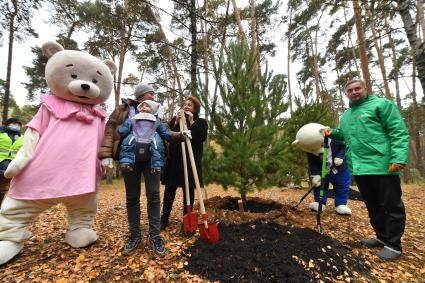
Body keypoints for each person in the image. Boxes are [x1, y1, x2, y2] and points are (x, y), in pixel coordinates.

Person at [98, 83, 189, 256]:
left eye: (154, 95)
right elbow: (110, 130)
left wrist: (182, 135)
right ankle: (135, 235)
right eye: (150, 94)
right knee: (132, 197)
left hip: (152, 160)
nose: (153, 97)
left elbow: (166, 132)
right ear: (140, 96)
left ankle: (155, 236)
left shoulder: (155, 111)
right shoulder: (123, 109)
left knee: (154, 195)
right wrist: (106, 154)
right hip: (128, 159)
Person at [323, 79, 409, 260]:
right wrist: (333, 132)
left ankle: (394, 245)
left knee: (391, 206)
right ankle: (382, 237)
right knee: (373, 206)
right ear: (346, 94)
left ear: (365, 89)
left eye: (357, 88)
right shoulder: (346, 115)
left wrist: (399, 158)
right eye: (350, 90)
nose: (354, 92)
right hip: (360, 168)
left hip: (383, 165)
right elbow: (344, 134)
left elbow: (397, 131)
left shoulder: (382, 105)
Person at [160, 96, 208, 231]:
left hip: (191, 162)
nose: (186, 106)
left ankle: (187, 220)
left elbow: (201, 137)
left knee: (189, 192)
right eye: (185, 104)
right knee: (169, 190)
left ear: (195, 109)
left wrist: (192, 122)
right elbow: (167, 135)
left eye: (190, 105)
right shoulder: (176, 120)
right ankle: (164, 219)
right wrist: (176, 122)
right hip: (175, 161)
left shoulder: (201, 122)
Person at [118, 100, 166, 173]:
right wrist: (123, 131)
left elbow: (164, 131)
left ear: (152, 109)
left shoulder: (156, 120)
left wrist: (168, 136)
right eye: (142, 106)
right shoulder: (133, 118)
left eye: (147, 106)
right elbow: (127, 125)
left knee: (158, 145)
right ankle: (126, 162)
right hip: (135, 135)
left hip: (151, 136)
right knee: (128, 142)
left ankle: (157, 166)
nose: (143, 107)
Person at [307, 139, 352, 215]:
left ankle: (341, 204)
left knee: (342, 186)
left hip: (340, 169)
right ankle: (319, 202)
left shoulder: (336, 140)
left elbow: (344, 147)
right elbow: (312, 162)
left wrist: (340, 156)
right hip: (322, 170)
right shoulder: (310, 147)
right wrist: (315, 174)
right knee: (319, 186)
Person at [0, 118, 24, 203]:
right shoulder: (1, 134)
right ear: (7, 124)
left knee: (3, 189)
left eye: (18, 125)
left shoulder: (22, 138)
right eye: (14, 124)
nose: (16, 126)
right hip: (1, 163)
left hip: (11, 167)